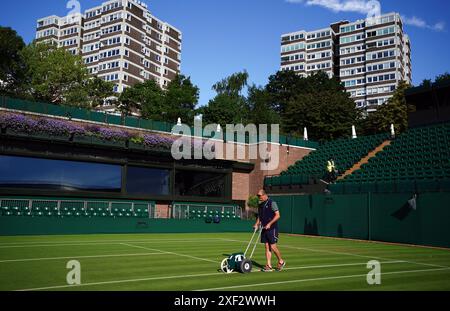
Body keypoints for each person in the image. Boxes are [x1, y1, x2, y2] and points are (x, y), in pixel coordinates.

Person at [253, 190, 286, 272]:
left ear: (264, 195)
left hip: (272, 228)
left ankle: (281, 261)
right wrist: (256, 224)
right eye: (258, 196)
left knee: (273, 247)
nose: (259, 198)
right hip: (264, 228)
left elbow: (278, 215)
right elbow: (260, 216)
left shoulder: (272, 203)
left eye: (259, 196)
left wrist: (270, 224)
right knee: (267, 246)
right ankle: (269, 265)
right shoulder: (260, 204)